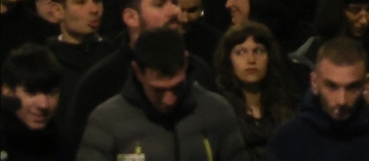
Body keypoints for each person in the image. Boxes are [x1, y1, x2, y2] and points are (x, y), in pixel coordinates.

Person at [77, 28, 247, 161]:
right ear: (137, 71)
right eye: (158, 90)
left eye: (176, 87)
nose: (169, 100)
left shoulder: (216, 111)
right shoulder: (107, 121)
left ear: (186, 62)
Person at [268, 36, 369, 161]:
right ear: (314, 82)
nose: (341, 100)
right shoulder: (287, 141)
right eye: (332, 87)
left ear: (366, 83)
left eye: (352, 87)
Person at [214, 21, 298, 159]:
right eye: (241, 52)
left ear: (269, 57)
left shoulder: (288, 106)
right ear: (228, 59)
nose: (251, 59)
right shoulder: (219, 110)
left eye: (258, 51)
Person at [0, 43, 73, 161]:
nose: (43, 104)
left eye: (51, 93)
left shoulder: (65, 150)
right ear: (7, 91)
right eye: (31, 92)